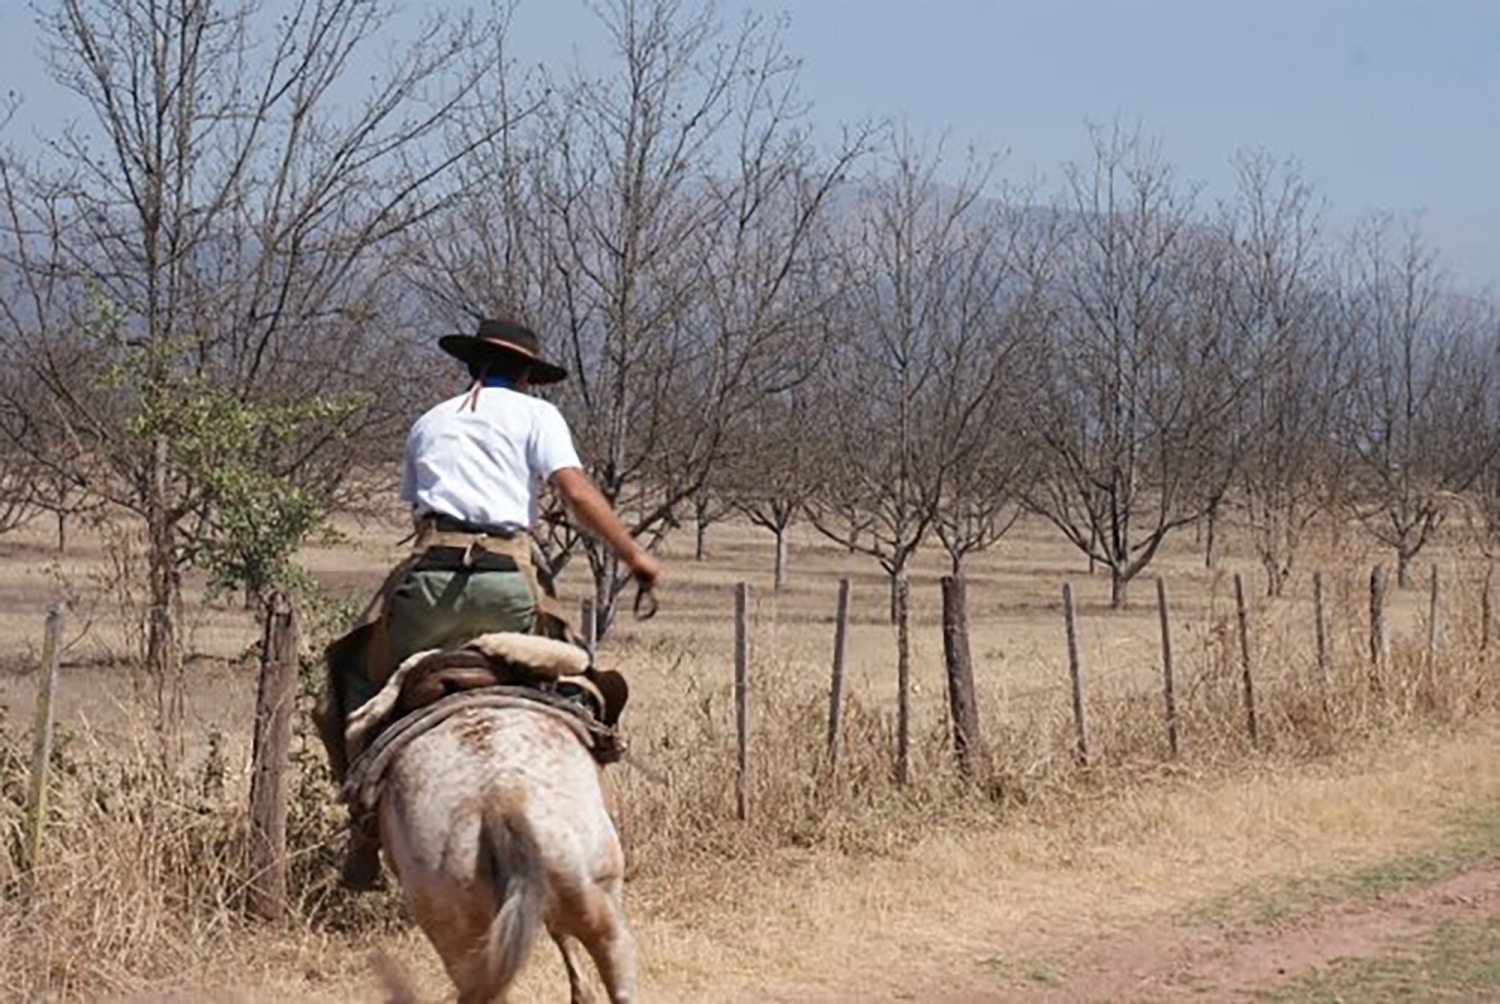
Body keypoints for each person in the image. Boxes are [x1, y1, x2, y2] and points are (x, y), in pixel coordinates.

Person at [314, 316, 662, 889]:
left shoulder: (429, 422)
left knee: (348, 678)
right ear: (527, 374)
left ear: (471, 365)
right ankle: (591, 792)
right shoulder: (538, 415)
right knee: (581, 680)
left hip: (427, 586)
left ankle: (364, 828)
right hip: (507, 587)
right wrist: (636, 558)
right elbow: (574, 490)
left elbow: (420, 511)